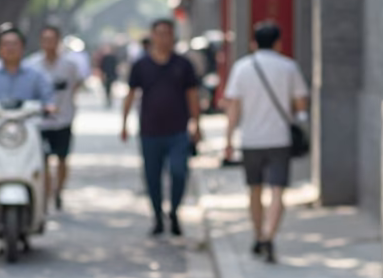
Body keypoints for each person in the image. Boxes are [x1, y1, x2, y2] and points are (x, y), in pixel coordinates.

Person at [222, 22, 310, 263]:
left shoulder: (242, 68)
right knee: (277, 192)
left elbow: (233, 108)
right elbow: (301, 103)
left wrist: (228, 140)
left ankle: (258, 234)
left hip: (250, 139)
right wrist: (299, 118)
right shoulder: (288, 67)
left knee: (255, 190)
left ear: (253, 43)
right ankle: (270, 236)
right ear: (278, 43)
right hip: (279, 139)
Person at [120, 19, 201, 237]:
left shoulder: (183, 65)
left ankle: (174, 211)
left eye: (168, 33)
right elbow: (130, 94)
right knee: (152, 176)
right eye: (159, 33)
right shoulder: (141, 65)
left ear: (173, 36)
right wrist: (124, 123)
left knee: (179, 171)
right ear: (152, 36)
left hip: (178, 131)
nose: (163, 38)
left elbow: (192, 96)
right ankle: (157, 216)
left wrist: (196, 124)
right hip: (149, 131)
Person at [26, 25, 84, 211]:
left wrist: (66, 102)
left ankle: (59, 190)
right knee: (42, 160)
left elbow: (78, 83)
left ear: (58, 41)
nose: (49, 44)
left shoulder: (69, 65)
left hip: (63, 120)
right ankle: (46, 192)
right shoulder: (32, 65)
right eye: (45, 40)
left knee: (62, 159)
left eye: (53, 40)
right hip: (39, 122)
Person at [0, 24, 56, 115]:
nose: (10, 48)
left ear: (23, 47)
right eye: (6, 44)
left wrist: (49, 106)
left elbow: (47, 97)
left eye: (14, 44)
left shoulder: (37, 74)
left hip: (26, 125)